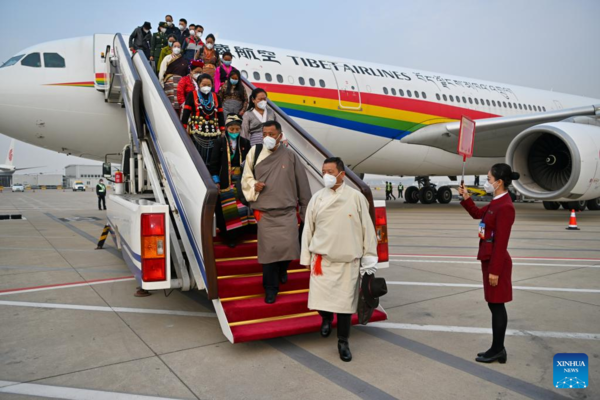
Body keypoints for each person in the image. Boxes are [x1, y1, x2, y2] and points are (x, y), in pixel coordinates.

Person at [301, 157, 378, 362]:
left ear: (342, 174)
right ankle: (325, 318)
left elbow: (367, 229)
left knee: (345, 307)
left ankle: (343, 341)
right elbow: (308, 229)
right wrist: (306, 257)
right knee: (320, 301)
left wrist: (370, 258)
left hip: (348, 262)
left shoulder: (356, 197)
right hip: (322, 262)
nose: (326, 175)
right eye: (323, 171)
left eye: (330, 171)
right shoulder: (317, 198)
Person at [241, 120, 311, 304]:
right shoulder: (254, 153)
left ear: (280, 136)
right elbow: (245, 178)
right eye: (264, 134)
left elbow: (302, 184)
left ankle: (283, 268)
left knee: (290, 249)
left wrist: (306, 210)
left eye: (271, 134)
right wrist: (253, 185)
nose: (267, 138)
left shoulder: (290, 156)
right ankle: (270, 289)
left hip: (287, 213)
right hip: (265, 213)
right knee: (268, 254)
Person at [458, 163, 519, 364]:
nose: (486, 182)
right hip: (489, 258)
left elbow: (501, 243)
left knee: (497, 305)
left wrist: (495, 271)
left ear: (499, 182)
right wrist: (466, 197)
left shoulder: (505, 206)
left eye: (489, 179)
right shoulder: (496, 202)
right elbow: (478, 214)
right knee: (493, 304)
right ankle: (496, 348)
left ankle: (498, 349)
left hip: (496, 262)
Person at [209, 114, 253, 247]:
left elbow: (250, 162)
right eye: (231, 129)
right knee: (228, 210)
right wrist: (216, 180)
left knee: (242, 207)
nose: (234, 132)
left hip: (240, 180)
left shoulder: (245, 142)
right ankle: (230, 237)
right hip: (225, 181)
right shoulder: (219, 142)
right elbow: (214, 163)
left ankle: (242, 233)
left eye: (237, 129)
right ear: (227, 129)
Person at [181, 73, 225, 163]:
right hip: (197, 131)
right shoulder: (192, 95)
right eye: (204, 85)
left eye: (209, 85)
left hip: (213, 132)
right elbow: (186, 113)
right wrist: (183, 127)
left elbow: (220, 114)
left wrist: (222, 129)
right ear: (198, 84)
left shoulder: (216, 97)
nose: (206, 87)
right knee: (198, 156)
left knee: (212, 156)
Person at [159, 41, 188, 113]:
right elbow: (162, 71)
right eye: (175, 46)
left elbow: (186, 74)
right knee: (169, 104)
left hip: (180, 85)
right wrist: (161, 83)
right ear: (172, 48)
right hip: (169, 84)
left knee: (178, 104)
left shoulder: (184, 61)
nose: (176, 48)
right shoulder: (167, 58)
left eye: (178, 47)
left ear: (181, 49)